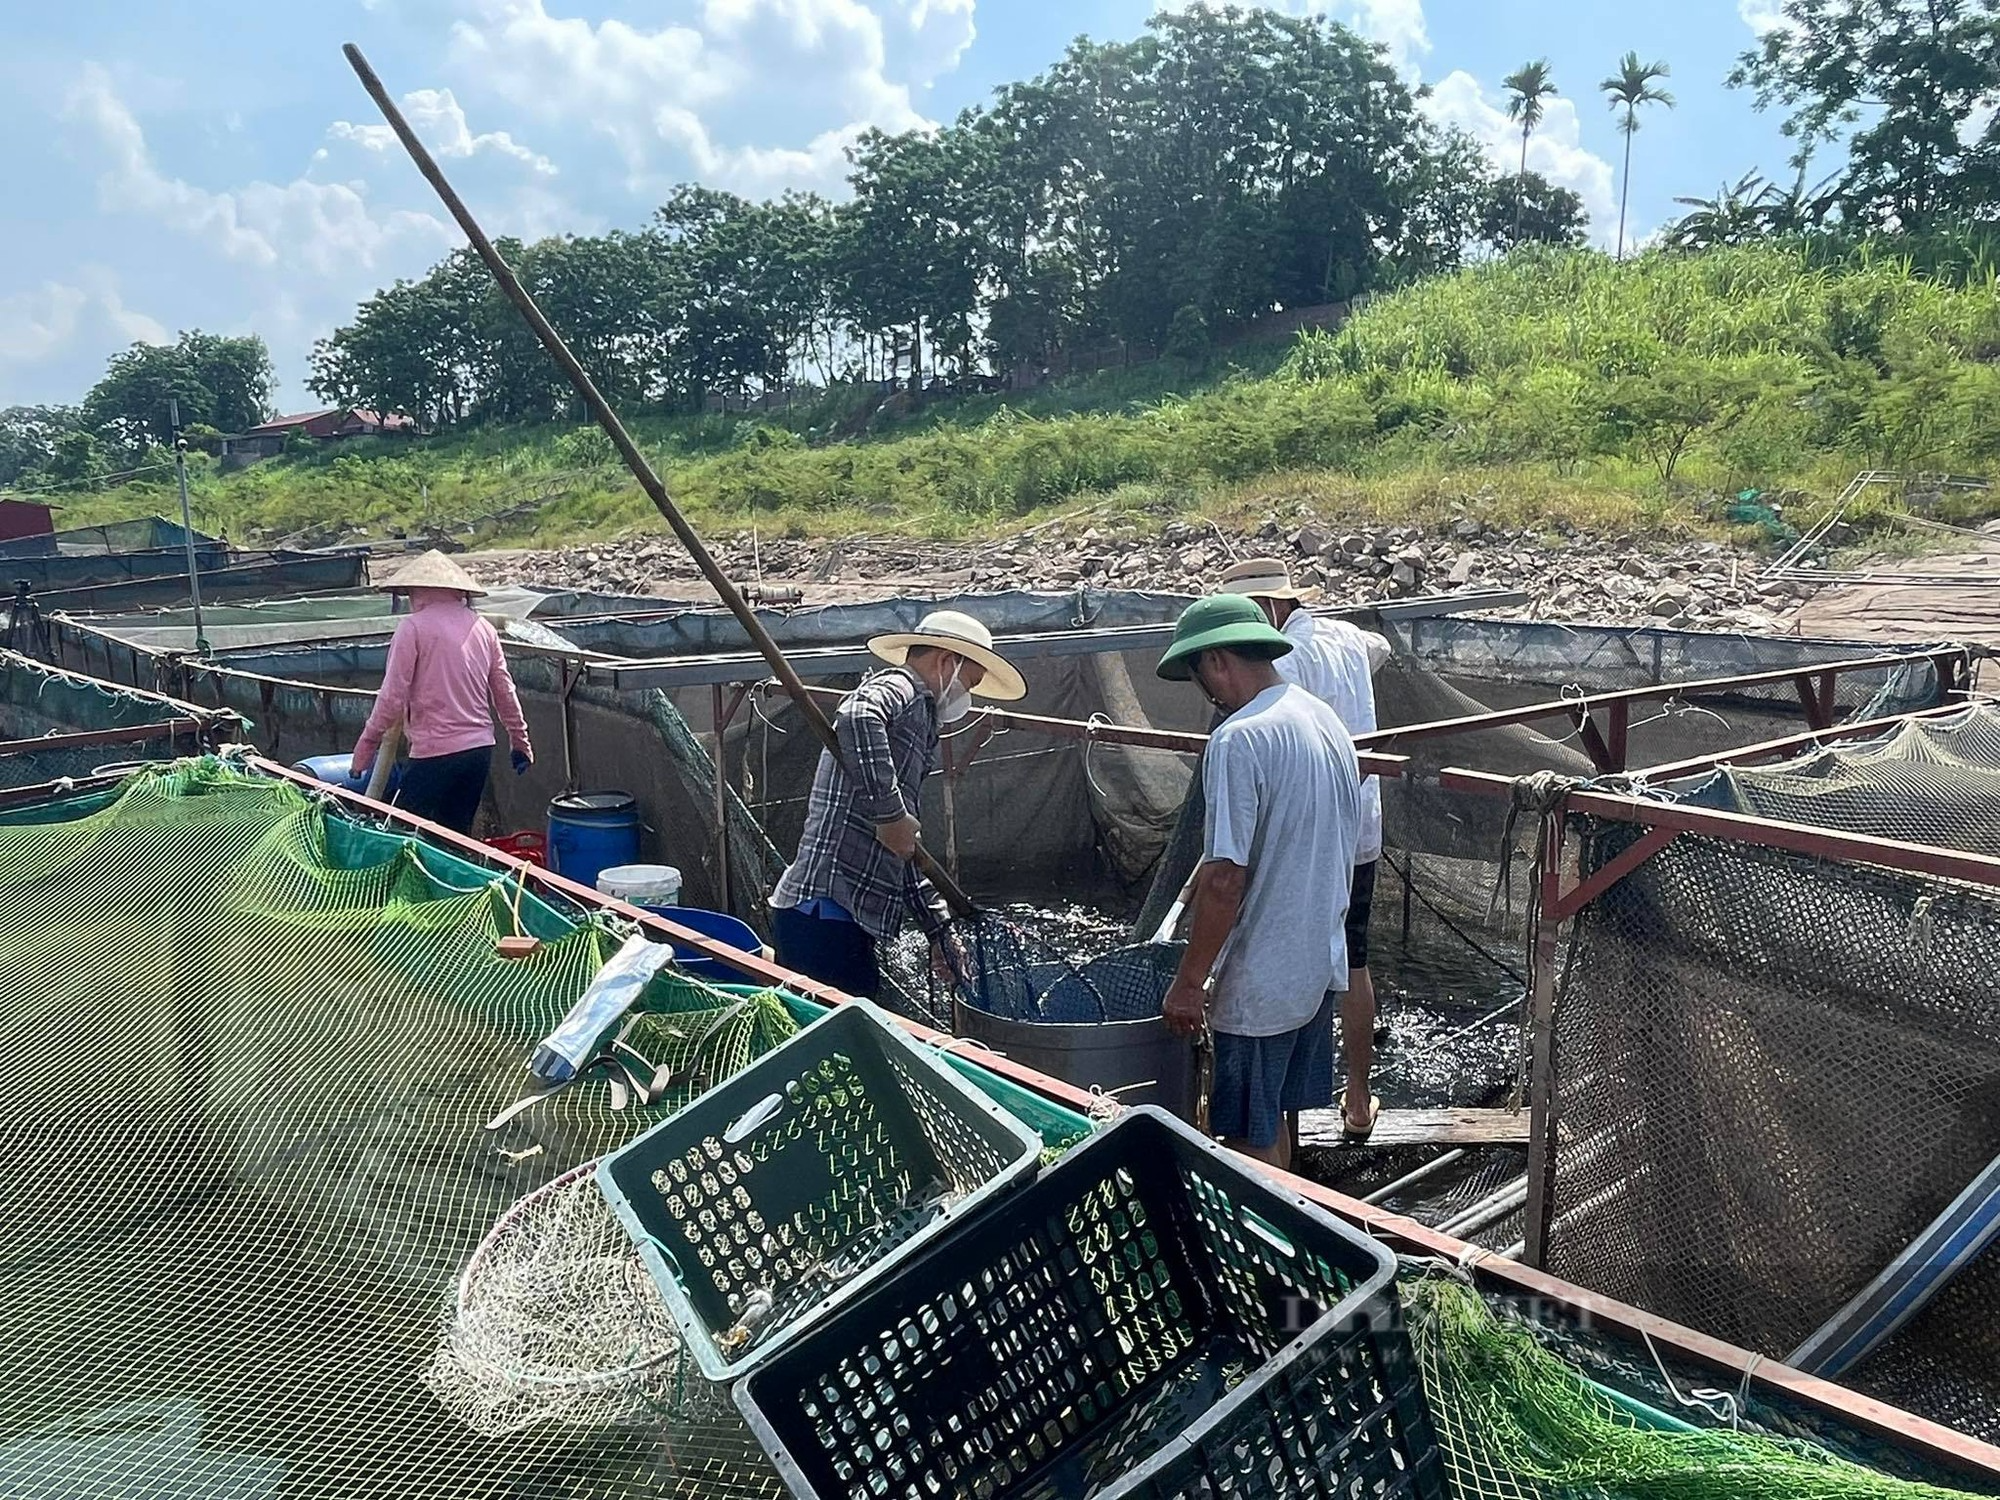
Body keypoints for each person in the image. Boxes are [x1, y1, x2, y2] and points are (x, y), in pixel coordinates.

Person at [1156, 593, 1364, 1170]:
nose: (1209, 694)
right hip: (1318, 963)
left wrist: (1190, 982)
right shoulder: (1322, 718)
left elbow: (1224, 880)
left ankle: (1258, 1254)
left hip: (1261, 982)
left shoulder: (1239, 738)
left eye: (1201, 677)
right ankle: (1291, 1236)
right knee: (1277, 1119)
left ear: (1218, 661)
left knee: (1249, 1139)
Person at [769, 610, 1027, 999]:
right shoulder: (902, 687)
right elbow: (858, 715)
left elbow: (902, 849)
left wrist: (938, 930)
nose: (966, 696)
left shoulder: (919, 719)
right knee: (837, 1041)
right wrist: (891, 815)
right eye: (969, 683)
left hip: (844, 917)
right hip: (824, 908)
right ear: (946, 662)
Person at [1220, 557, 1390, 1142]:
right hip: (1361, 823)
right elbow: (1379, 648)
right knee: (1351, 956)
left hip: (1308, 831)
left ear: (1268, 611)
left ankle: (1269, 1110)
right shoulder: (1347, 636)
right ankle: (1359, 1097)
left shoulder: (1281, 660)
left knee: (1286, 948)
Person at [351, 550, 533, 835]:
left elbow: (392, 697)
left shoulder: (412, 628)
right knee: (456, 837)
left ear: (416, 592)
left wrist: (365, 747)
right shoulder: (483, 628)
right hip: (478, 751)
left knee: (407, 834)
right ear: (459, 592)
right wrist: (520, 740)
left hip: (434, 753)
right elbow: (504, 690)